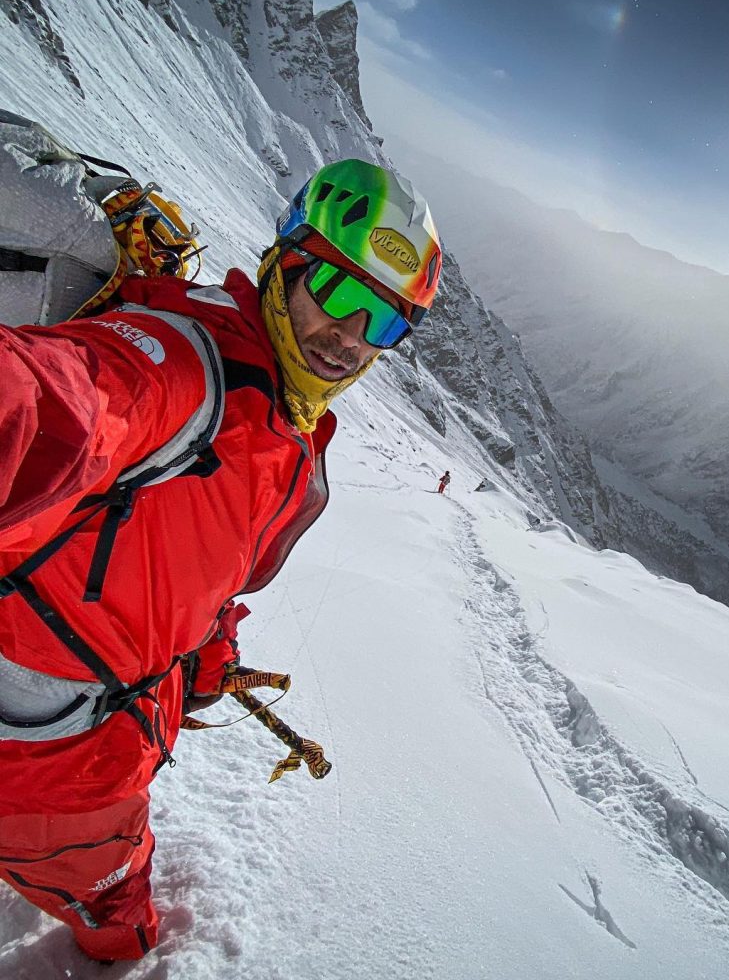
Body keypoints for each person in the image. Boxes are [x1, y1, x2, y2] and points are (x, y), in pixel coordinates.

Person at [0, 159, 442, 961]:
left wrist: (207, 653)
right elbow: (53, 401)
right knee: (122, 933)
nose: (348, 336)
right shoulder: (176, 362)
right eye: (338, 293)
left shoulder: (283, 419)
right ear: (284, 262)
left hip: (105, 726)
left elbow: (190, 561)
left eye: (382, 323)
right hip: (47, 766)